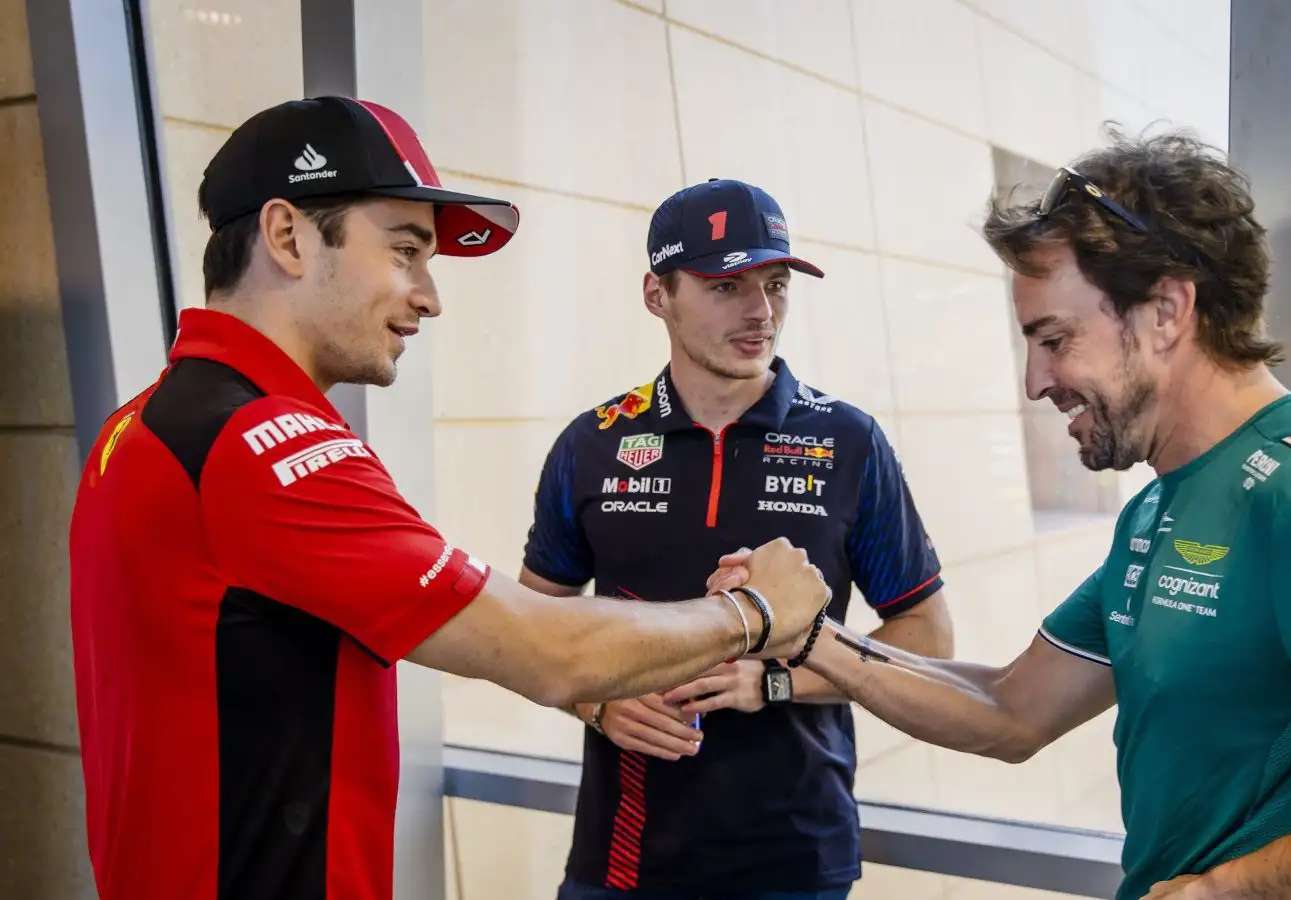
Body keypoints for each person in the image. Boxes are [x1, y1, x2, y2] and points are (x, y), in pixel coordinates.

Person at [710, 132, 1291, 900]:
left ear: (1166, 312)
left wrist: (1224, 893)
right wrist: (814, 640)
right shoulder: (1164, 505)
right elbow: (1013, 709)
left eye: (1054, 340)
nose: (1036, 382)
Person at [67, 97, 831, 900]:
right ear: (288, 236)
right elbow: (545, 649)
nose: (429, 296)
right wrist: (751, 613)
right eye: (404, 252)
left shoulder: (143, 424)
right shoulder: (268, 449)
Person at [520, 177, 955, 900]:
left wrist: (776, 682)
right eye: (727, 286)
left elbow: (928, 641)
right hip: (621, 864)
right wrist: (596, 701)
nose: (762, 312)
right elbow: (531, 626)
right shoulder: (593, 443)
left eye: (777, 283)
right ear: (657, 294)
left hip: (795, 862)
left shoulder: (848, 440)